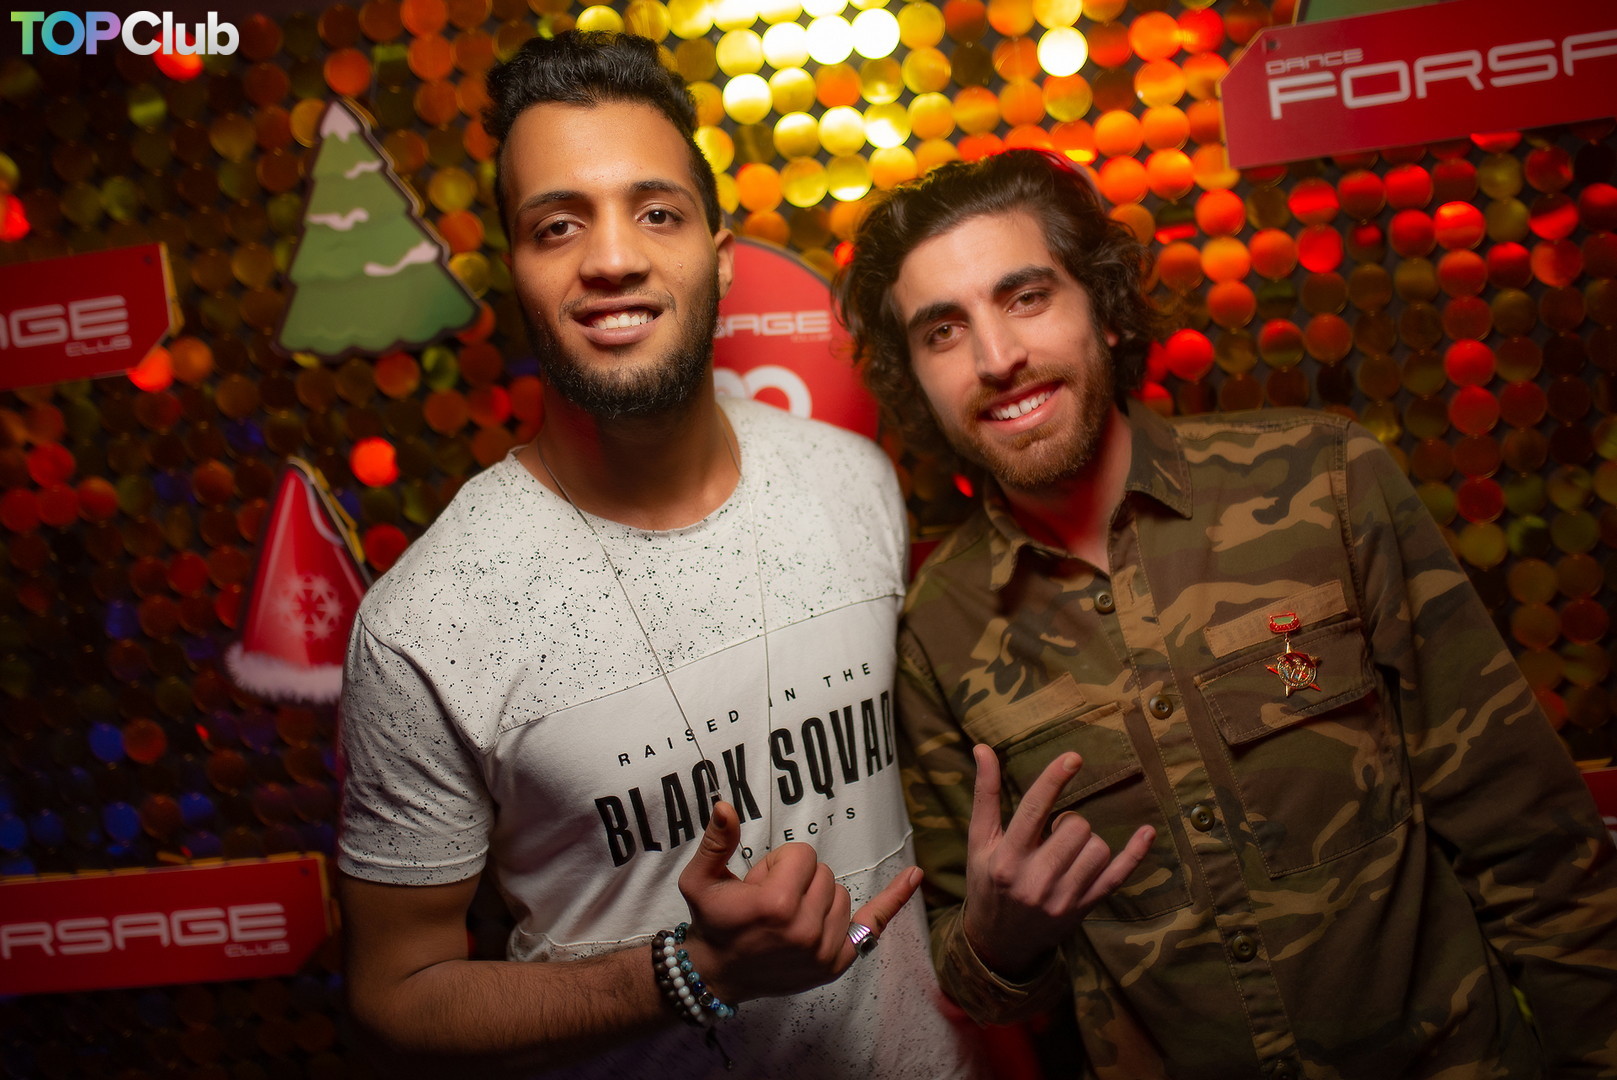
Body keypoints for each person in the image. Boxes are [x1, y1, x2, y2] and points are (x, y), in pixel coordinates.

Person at [834, 148, 1617, 1079]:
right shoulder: (934, 631)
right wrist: (998, 941)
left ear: (1103, 309)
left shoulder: (1324, 481)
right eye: (942, 331)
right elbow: (970, 975)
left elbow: (1529, 837)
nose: (997, 358)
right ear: (914, 376)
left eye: (1027, 298)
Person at [337, 31, 984, 1079]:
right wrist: (689, 971)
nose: (611, 259)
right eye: (557, 225)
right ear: (516, 269)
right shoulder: (428, 622)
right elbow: (395, 993)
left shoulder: (851, 480)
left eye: (656, 212)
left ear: (720, 256)